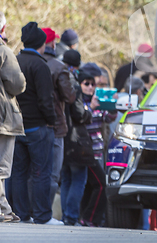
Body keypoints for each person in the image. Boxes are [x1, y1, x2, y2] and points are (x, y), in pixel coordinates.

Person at [12, 22, 62, 224]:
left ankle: (20, 214)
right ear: (41, 44)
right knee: (41, 173)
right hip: (38, 128)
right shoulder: (40, 65)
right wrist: (52, 121)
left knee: (18, 173)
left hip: (16, 126)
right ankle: (42, 216)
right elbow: (45, 99)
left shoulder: (14, 61)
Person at [41, 27, 76, 206]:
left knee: (34, 172)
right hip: (55, 124)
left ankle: (31, 211)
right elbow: (69, 96)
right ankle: (45, 212)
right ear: (52, 43)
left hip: (33, 124)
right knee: (54, 172)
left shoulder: (26, 62)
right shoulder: (57, 66)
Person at [60, 51, 94, 226]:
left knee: (66, 178)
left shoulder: (58, 79)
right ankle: (71, 216)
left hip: (61, 137)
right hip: (75, 139)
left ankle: (66, 215)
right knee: (79, 178)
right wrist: (90, 111)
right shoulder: (74, 85)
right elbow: (80, 114)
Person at [0, 12, 26, 223]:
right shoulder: (4, 52)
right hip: (3, 119)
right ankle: (2, 209)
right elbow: (18, 84)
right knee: (1, 166)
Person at [79, 69, 109, 227]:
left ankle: (87, 219)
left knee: (91, 186)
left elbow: (108, 118)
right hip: (85, 152)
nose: (90, 87)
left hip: (97, 150)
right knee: (102, 184)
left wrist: (112, 105)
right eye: (86, 84)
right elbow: (81, 119)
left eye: (93, 84)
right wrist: (90, 106)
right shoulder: (79, 102)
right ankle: (89, 218)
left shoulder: (97, 102)